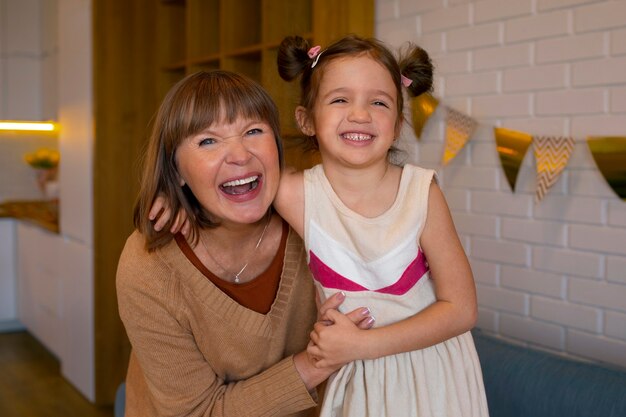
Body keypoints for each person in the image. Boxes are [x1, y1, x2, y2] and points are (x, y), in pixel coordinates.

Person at [116, 70, 374, 417]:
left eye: (253, 131)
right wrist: (316, 362)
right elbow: (198, 413)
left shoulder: (310, 215)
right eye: (208, 141)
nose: (239, 154)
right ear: (175, 169)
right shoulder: (149, 267)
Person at [272, 35, 490, 416]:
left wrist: (361, 346)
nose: (360, 114)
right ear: (306, 120)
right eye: (340, 99)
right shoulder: (294, 194)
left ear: (397, 124)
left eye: (378, 102)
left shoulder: (421, 193)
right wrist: (173, 199)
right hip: (356, 383)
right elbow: (229, 185)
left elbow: (461, 309)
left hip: (432, 379)